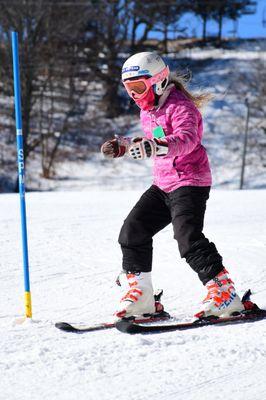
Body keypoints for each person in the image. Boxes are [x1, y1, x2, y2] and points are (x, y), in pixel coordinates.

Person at [101, 52, 244, 320]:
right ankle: (142, 298)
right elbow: (150, 139)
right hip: (163, 183)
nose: (134, 95)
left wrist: (157, 145)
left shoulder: (181, 106)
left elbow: (187, 138)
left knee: (187, 238)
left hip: (190, 181)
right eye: (129, 89)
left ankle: (225, 295)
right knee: (133, 230)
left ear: (158, 81)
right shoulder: (149, 110)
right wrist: (124, 145)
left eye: (139, 88)